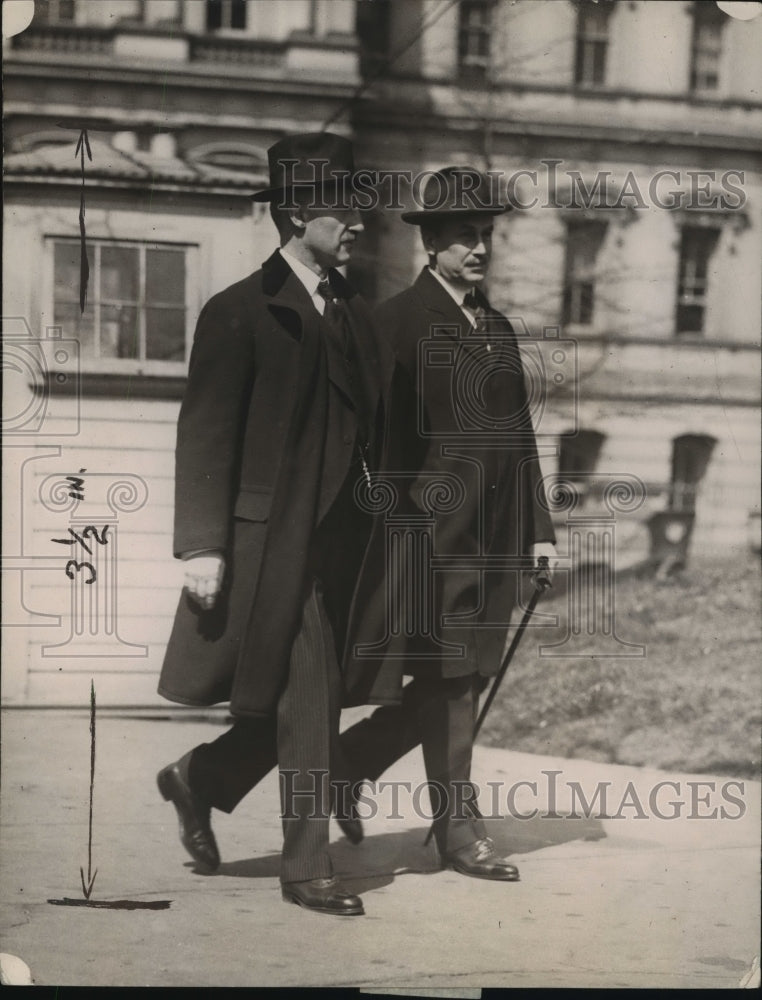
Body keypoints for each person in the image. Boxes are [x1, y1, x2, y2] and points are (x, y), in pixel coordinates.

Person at [156, 132, 394, 917]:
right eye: (343, 208)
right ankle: (306, 868)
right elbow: (206, 430)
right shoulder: (239, 310)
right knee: (305, 706)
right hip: (268, 545)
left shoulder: (355, 312)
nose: (358, 221)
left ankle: (199, 779)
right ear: (297, 213)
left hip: (340, 546)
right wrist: (201, 544)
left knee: (306, 705)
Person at [340, 166, 558, 882]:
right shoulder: (395, 322)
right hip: (431, 540)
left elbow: (518, 436)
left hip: (492, 539)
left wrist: (540, 529)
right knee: (455, 681)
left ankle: (349, 766)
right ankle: (458, 831)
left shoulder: (494, 327)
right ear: (430, 242)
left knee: (450, 680)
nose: (478, 249)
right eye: (463, 236)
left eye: (485, 235)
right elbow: (369, 438)